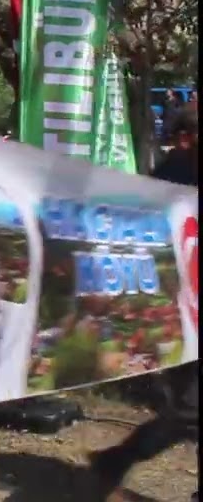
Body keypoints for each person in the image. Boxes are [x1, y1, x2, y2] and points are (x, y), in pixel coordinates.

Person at [89, 109, 198, 501]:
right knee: (191, 411)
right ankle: (116, 460)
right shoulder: (166, 184)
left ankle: (115, 460)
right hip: (178, 314)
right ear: (186, 139)